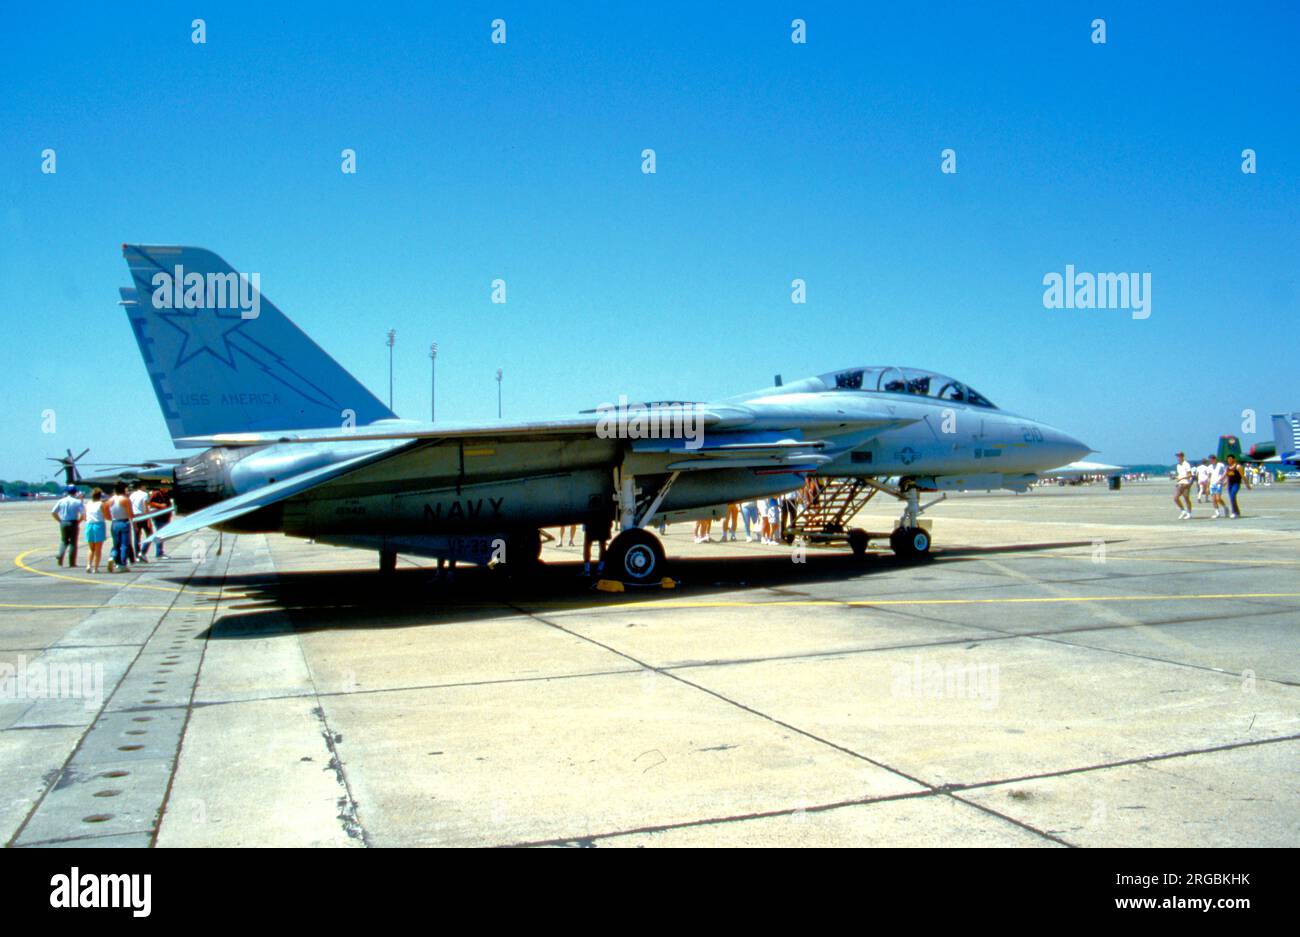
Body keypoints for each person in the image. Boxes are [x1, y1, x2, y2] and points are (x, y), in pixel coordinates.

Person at [51, 486, 84, 568]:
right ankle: (72, 562)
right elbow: (83, 514)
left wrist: (59, 520)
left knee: (64, 541)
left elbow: (53, 512)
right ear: (75, 492)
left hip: (64, 522)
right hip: (73, 522)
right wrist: (79, 521)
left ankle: (60, 557)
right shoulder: (77, 502)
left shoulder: (61, 501)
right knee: (73, 543)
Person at [105, 482, 134, 573]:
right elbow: (130, 514)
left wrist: (111, 517)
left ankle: (113, 557)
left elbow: (106, 512)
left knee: (116, 544)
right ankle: (122, 563)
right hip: (124, 521)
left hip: (114, 522)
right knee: (124, 544)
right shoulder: (125, 500)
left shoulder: (110, 500)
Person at [83, 489, 108, 573]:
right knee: (98, 549)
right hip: (99, 525)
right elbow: (106, 515)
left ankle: (88, 565)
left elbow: (84, 517)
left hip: (89, 525)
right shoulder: (101, 504)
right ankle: (96, 568)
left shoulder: (88, 504)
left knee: (91, 548)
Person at [129, 483, 151, 563]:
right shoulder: (145, 494)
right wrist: (149, 519)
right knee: (150, 534)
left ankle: (137, 555)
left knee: (137, 536)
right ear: (141, 486)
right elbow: (146, 507)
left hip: (135, 516)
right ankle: (143, 552)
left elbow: (130, 507)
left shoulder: (132, 495)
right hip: (143, 516)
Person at [147, 487, 171, 557]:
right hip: (158, 517)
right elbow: (149, 503)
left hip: (165, 517)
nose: (167, 488)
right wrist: (160, 505)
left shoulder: (166, 494)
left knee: (162, 535)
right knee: (159, 534)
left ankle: (160, 551)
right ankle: (159, 552)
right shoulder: (156, 494)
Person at [1173, 452, 1194, 519]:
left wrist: (1182, 478)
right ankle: (1183, 510)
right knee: (1175, 498)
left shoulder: (1186, 464)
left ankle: (1189, 513)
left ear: (1182, 456)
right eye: (1177, 456)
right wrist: (1177, 477)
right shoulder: (1178, 465)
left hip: (1186, 483)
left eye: (1179, 456)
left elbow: (1189, 474)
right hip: (1179, 483)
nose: (1178, 458)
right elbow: (1180, 474)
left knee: (1186, 498)